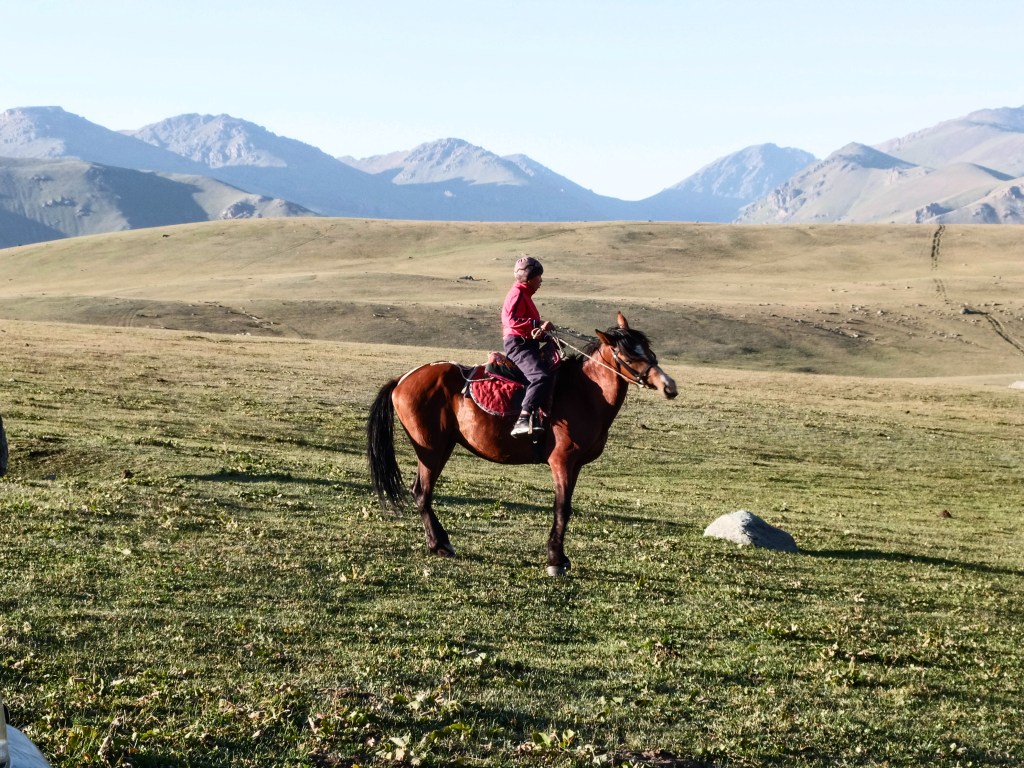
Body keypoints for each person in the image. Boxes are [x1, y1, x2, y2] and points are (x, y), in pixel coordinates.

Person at [502, 256, 555, 437]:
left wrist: (545, 335)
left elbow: (526, 326)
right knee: (540, 376)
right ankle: (523, 419)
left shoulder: (525, 295)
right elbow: (511, 320)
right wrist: (537, 323)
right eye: (538, 276)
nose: (541, 280)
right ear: (529, 277)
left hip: (526, 342)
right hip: (518, 345)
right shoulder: (517, 293)